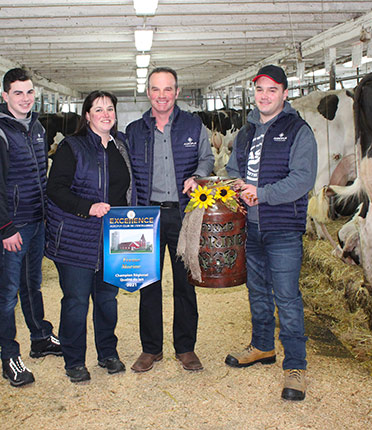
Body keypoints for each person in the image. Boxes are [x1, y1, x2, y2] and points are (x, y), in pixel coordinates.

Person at [225, 65, 317, 401]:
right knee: (258, 291)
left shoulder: (298, 131)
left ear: (284, 93)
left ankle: (296, 365)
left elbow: (302, 179)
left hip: (282, 228)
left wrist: (261, 194)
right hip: (250, 227)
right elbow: (234, 168)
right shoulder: (246, 132)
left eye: (272, 90)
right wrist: (235, 184)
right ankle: (263, 346)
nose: (265, 96)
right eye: (260, 90)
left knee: (288, 298)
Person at [126, 67, 214, 373]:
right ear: (147, 92)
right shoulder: (135, 131)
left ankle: (185, 348)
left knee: (185, 283)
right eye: (155, 89)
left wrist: (198, 176)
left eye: (168, 89)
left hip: (183, 213)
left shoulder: (193, 125)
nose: (162, 96)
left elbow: (207, 158)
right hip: (146, 215)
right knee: (148, 282)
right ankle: (151, 349)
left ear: (177, 92)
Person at [45, 90, 133, 383]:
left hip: (113, 237)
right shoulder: (72, 147)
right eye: (98, 109)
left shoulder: (121, 147)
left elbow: (126, 190)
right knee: (76, 301)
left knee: (108, 299)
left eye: (110, 108)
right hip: (76, 237)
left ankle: (108, 352)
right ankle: (74, 360)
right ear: (87, 116)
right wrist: (87, 207)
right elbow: (55, 189)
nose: (105, 114)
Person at [0, 68, 61, 388]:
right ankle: (8, 355)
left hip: (37, 220)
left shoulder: (37, 129)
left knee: (33, 285)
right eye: (18, 93)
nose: (25, 98)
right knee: (7, 293)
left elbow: (40, 176)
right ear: (5, 96)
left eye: (29, 92)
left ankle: (40, 337)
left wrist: (46, 216)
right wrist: (5, 227)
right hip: (14, 226)